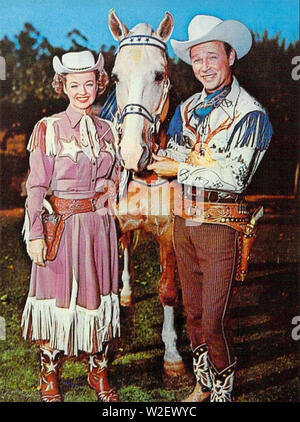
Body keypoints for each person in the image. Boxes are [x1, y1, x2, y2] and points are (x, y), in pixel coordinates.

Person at [148, 15, 273, 402]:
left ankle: (224, 390)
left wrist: (180, 166)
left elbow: (236, 177)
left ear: (230, 56)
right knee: (195, 314)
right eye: (197, 59)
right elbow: (172, 153)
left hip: (221, 225)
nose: (204, 66)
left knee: (215, 319)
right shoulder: (186, 109)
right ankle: (205, 383)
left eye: (212, 56)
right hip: (184, 221)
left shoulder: (251, 114)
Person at [21, 50, 120, 402]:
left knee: (98, 299)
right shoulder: (48, 129)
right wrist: (34, 235)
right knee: (55, 299)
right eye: (74, 84)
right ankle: (49, 373)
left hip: (99, 228)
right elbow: (35, 187)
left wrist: (112, 193)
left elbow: (116, 179)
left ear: (99, 85)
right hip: (59, 229)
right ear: (63, 86)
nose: (83, 91)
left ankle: (98, 370)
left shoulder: (110, 131)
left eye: (89, 84)